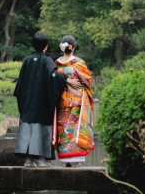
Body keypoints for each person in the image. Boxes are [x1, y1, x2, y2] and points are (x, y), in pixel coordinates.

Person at [14, 31, 75, 167]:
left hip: (28, 102)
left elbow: (20, 84)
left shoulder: (27, 61)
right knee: (41, 127)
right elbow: (55, 77)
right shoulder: (47, 60)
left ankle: (28, 159)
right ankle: (41, 158)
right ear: (46, 46)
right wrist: (66, 78)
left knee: (28, 125)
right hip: (41, 103)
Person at [54, 35, 95, 167]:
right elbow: (87, 81)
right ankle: (76, 159)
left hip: (61, 101)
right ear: (74, 48)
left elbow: (53, 78)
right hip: (76, 101)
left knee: (64, 128)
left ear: (62, 47)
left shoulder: (56, 64)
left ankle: (66, 160)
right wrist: (71, 80)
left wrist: (64, 79)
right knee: (75, 129)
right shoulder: (79, 63)